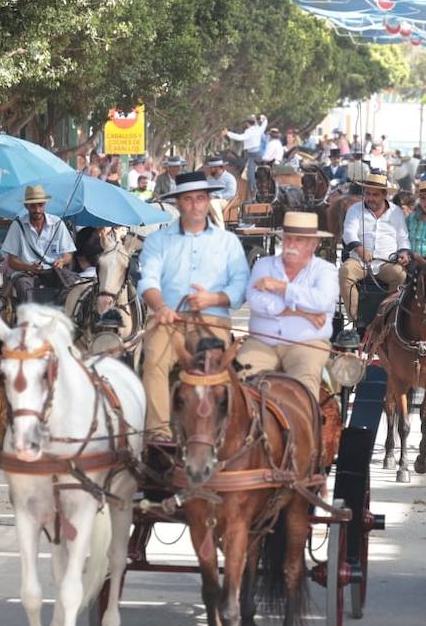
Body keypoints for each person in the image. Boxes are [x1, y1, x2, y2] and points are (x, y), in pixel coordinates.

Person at [138, 171, 250, 441]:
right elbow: (148, 281)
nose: (195, 205)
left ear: (208, 201)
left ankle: (224, 433)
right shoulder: (158, 241)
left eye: (200, 198)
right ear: (178, 203)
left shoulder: (227, 242)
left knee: (216, 368)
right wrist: (161, 306)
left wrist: (213, 298)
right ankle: (158, 434)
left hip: (211, 321)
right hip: (169, 320)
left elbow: (241, 285)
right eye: (188, 199)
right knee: (153, 361)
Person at [237, 211, 338, 400]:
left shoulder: (325, 270)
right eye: (287, 239)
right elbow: (255, 300)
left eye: (298, 240)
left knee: (303, 388)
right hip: (262, 341)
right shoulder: (264, 265)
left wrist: (280, 287)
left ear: (313, 244)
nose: (291, 245)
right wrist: (303, 313)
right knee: (240, 380)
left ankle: (305, 429)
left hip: (307, 343)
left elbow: (322, 301)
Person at [340, 172, 411, 322]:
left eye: (375, 195)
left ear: (385, 195)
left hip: (386, 262)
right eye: (368, 194)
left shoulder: (396, 212)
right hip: (359, 261)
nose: (370, 198)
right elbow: (348, 233)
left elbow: (403, 238)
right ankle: (355, 319)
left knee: (400, 275)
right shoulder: (355, 209)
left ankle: (388, 319)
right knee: (346, 272)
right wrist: (360, 250)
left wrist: (404, 253)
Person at [0, 185, 77, 305]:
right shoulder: (18, 225)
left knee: (74, 284)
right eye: (33, 206)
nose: (37, 209)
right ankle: (32, 319)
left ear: (45, 204)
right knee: (24, 288)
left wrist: (61, 261)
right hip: (27, 273)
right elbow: (11, 261)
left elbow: (68, 254)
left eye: (40, 205)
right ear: (26, 206)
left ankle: (65, 317)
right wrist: (29, 267)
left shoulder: (57, 223)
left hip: (53, 271)